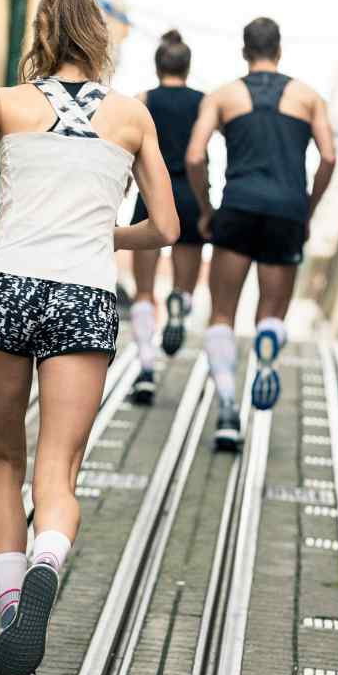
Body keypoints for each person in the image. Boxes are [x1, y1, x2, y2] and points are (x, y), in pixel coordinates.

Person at [0, 0, 179, 675]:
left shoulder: (4, 102)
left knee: (2, 460)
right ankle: (49, 559)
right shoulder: (132, 115)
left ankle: (14, 606)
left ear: (42, 31)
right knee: (59, 468)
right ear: (98, 38)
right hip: (81, 295)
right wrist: (105, 232)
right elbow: (167, 228)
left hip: (5, 285)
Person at [185, 15, 336, 451]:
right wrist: (307, 208)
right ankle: (268, 341)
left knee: (222, 314)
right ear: (280, 50)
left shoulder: (223, 96)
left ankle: (228, 406)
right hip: (286, 213)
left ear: (244, 51)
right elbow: (328, 157)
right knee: (271, 312)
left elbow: (195, 157)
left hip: (237, 208)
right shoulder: (309, 98)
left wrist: (206, 207)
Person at [128, 29, 205, 404]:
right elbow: (201, 154)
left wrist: (126, 191)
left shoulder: (142, 101)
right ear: (187, 68)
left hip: (150, 195)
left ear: (157, 66)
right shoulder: (203, 103)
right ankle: (179, 305)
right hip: (189, 196)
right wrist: (209, 207)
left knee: (143, 290)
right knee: (184, 284)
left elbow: (128, 153)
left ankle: (145, 368)